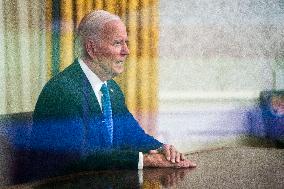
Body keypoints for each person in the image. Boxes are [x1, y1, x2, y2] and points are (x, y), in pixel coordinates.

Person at [29, 10, 196, 180]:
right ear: (92, 49)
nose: (126, 51)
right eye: (118, 43)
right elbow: (78, 157)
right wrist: (144, 160)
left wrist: (163, 149)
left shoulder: (111, 88)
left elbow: (132, 135)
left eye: (126, 43)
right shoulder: (62, 91)